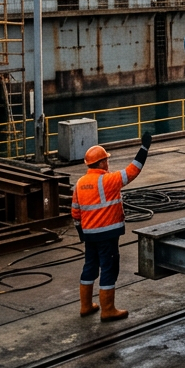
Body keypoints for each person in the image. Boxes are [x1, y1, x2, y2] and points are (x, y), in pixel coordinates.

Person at [72, 132, 152, 320]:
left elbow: (75, 213)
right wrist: (144, 148)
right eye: (106, 160)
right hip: (107, 235)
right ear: (101, 163)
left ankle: (85, 306)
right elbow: (133, 170)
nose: (107, 163)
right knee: (108, 268)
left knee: (90, 266)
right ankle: (107, 310)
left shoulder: (79, 183)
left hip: (89, 235)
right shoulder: (108, 180)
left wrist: (81, 233)